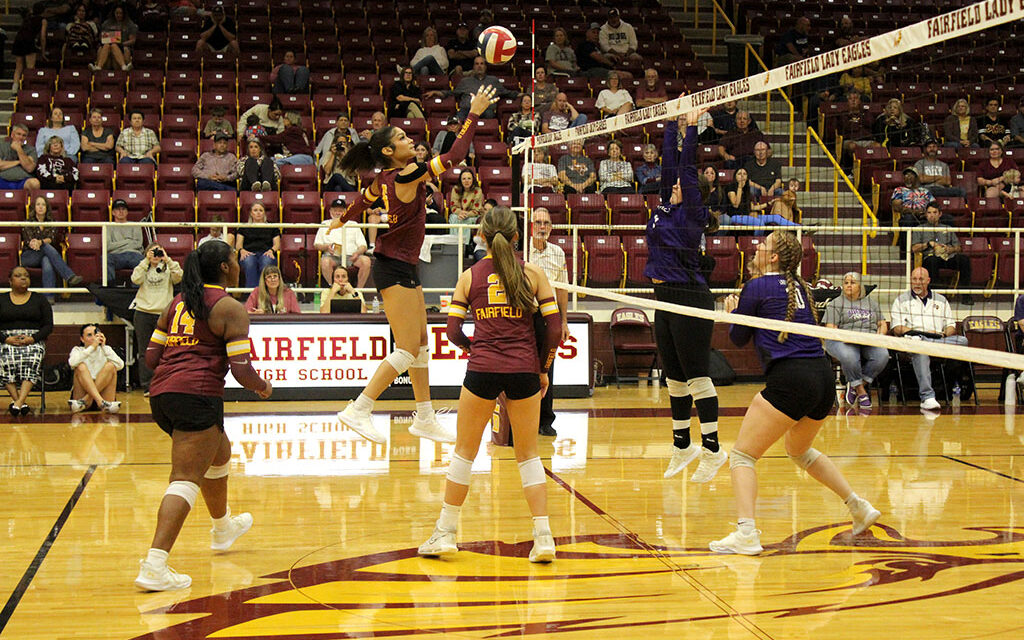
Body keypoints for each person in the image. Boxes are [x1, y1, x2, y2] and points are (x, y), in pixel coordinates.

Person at [330, 85, 499, 445]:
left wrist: (340, 220)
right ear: (389, 152)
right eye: (403, 138)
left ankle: (424, 417)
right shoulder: (407, 175)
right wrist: (474, 113)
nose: (411, 141)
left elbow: (363, 201)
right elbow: (456, 154)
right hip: (392, 266)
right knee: (407, 348)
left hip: (404, 265)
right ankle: (359, 407)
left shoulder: (384, 179)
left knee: (422, 345)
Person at [712, 231, 881, 555]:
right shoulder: (800, 286)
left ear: (774, 257)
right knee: (799, 451)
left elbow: (737, 338)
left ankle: (746, 533)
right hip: (822, 378)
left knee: (743, 456)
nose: (756, 248)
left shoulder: (757, 287)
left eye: (763, 245)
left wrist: (733, 314)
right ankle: (858, 505)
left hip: (791, 378)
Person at [417, 206, 562, 562]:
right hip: (524, 370)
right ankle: (543, 537)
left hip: (482, 369)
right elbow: (555, 330)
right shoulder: (534, 272)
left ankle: (445, 533)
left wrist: (474, 348)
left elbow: (452, 331)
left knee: (464, 453)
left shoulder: (469, 276)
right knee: (529, 456)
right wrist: (542, 369)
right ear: (517, 236)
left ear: (480, 235)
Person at [134, 240, 272, 591]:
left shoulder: (177, 303)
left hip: (162, 396)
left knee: (220, 452)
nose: (238, 265)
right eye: (234, 260)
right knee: (184, 478)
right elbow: (241, 371)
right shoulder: (229, 308)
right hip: (196, 394)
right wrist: (262, 386)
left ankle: (223, 528)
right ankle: (155, 565)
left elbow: (151, 358)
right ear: (225, 267)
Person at [647, 108, 726, 483]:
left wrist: (692, 128)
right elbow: (670, 165)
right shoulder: (666, 204)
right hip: (663, 296)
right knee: (673, 378)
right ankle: (683, 446)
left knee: (696, 376)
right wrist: (669, 122)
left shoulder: (692, 213)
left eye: (681, 183)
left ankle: (713, 450)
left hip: (690, 297)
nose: (675, 184)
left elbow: (686, 169)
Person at [890, 267, 969, 412]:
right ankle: (928, 397)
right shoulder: (900, 300)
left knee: (963, 341)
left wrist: (942, 334)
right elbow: (897, 328)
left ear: (928, 281)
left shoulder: (941, 300)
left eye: (921, 279)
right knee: (920, 349)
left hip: (937, 341)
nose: (917, 283)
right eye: (914, 279)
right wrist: (920, 333)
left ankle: (926, 342)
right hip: (913, 341)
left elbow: (951, 326)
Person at [527, 207, 569, 436]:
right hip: (525, 315)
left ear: (551, 228)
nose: (542, 227)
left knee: (547, 367)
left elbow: (562, 290)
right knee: (524, 367)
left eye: (546, 223)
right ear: (530, 226)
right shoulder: (523, 252)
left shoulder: (558, 253)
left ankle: (545, 420)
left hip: (548, 316)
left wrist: (563, 321)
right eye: (538, 222)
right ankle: (524, 418)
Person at [823, 272, 890, 409]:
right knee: (850, 356)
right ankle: (861, 391)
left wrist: (879, 337)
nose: (848, 285)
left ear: (860, 286)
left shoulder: (871, 303)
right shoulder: (835, 304)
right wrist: (845, 338)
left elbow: (882, 324)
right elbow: (830, 329)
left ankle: (855, 385)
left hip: (868, 339)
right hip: (842, 340)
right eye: (846, 283)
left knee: (882, 356)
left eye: (852, 283)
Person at [132, 243, 184, 395]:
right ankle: (148, 385)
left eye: (158, 252)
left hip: (163, 313)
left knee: (167, 350)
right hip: (143, 312)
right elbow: (135, 279)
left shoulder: (168, 268)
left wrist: (167, 259)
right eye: (152, 252)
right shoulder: (143, 267)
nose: (155, 255)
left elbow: (179, 276)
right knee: (144, 351)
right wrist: (146, 261)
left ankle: (167, 382)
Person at [0, 267, 52, 416]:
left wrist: (33, 338)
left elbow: (48, 326)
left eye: (26, 276)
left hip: (32, 340)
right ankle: (19, 402)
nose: (23, 278)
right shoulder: (1, 299)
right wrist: (6, 339)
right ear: (10, 281)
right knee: (3, 358)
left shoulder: (40, 299)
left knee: (33, 357)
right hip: (6, 340)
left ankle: (18, 402)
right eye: (18, 276)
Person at [910, 204, 973, 305]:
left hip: (948, 257)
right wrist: (928, 244)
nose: (932, 215)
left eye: (935, 212)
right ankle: (936, 296)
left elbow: (959, 247)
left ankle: (966, 296)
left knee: (964, 260)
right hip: (931, 257)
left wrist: (950, 249)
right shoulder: (919, 229)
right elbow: (914, 248)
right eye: (929, 213)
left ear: (940, 214)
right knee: (932, 261)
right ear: (926, 215)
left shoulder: (948, 228)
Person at [425, 56, 521, 121]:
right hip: (467, 110)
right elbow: (452, 93)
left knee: (489, 115)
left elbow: (508, 93)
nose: (479, 66)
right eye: (477, 64)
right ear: (473, 67)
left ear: (485, 66)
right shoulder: (465, 81)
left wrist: (524, 95)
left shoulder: (493, 81)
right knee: (457, 119)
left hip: (486, 111)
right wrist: (436, 92)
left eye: (482, 64)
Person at [21, 196, 82, 290]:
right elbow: (30, 241)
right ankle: (69, 276)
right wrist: (39, 243)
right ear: (34, 207)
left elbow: (52, 238)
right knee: (46, 247)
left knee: (47, 260)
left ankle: (49, 296)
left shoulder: (52, 222)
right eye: (38, 204)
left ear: (47, 208)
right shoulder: (28, 223)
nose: (40, 207)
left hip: (46, 254)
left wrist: (40, 242)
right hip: (29, 256)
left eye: (43, 205)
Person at [314, 197, 371, 288]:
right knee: (325, 262)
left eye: (340, 211)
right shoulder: (324, 224)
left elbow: (363, 246)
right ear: (330, 211)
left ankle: (359, 291)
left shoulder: (353, 224)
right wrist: (326, 247)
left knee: (366, 261)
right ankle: (333, 288)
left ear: (345, 212)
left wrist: (357, 253)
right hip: (333, 257)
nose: (337, 213)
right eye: (335, 210)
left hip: (351, 257)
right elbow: (316, 244)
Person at [68, 324, 124, 414]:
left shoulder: (106, 349)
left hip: (102, 396)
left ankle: (90, 400)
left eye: (95, 334)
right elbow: (72, 363)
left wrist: (104, 346)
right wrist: (92, 347)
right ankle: (98, 401)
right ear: (82, 339)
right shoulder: (78, 350)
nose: (93, 338)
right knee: (80, 366)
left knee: (110, 366)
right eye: (89, 335)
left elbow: (120, 365)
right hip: (82, 393)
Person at [235, 203, 280, 288]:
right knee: (250, 262)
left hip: (267, 253)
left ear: (264, 213)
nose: (258, 212)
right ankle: (252, 293)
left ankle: (265, 292)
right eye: (255, 210)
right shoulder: (243, 227)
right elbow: (238, 244)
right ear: (251, 213)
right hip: (249, 253)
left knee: (266, 262)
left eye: (261, 210)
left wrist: (271, 251)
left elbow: (277, 244)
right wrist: (242, 251)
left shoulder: (272, 227)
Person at [105, 199, 144, 285]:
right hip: (116, 255)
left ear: (127, 212)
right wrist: (128, 241)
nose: (121, 211)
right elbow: (108, 246)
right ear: (113, 212)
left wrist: (117, 245)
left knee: (143, 261)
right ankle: (110, 288)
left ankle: (136, 291)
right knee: (105, 258)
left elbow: (138, 244)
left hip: (134, 255)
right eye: (118, 209)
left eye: (123, 209)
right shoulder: (108, 227)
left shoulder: (135, 225)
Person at [12, 6, 46, 92]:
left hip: (18, 40)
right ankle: (29, 88)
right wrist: (43, 52)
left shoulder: (27, 18)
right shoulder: (43, 20)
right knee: (30, 68)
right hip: (29, 41)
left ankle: (14, 89)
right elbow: (42, 37)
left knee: (18, 67)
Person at [94, 4, 136, 71]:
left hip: (122, 46)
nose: (119, 15)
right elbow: (101, 37)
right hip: (107, 46)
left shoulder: (129, 24)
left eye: (120, 13)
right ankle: (98, 67)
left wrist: (121, 44)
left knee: (114, 45)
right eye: (117, 13)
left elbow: (132, 40)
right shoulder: (106, 23)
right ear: (113, 13)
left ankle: (123, 66)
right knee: (106, 46)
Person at [0, 124, 42, 191]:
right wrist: (19, 162)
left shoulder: (31, 150)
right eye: (18, 134)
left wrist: (19, 149)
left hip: (23, 181)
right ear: (12, 135)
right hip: (2, 179)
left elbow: (29, 168)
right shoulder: (2, 146)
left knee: (35, 183)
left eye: (24, 135)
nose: (21, 137)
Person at [448, 169, 485, 233]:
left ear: (473, 180)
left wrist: (466, 214)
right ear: (461, 180)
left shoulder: (478, 190)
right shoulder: (456, 189)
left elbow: (477, 209)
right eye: (464, 179)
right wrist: (460, 212)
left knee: (466, 220)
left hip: (472, 215)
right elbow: (454, 207)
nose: (466, 181)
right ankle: (454, 239)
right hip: (459, 214)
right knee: (454, 217)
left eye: (469, 178)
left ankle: (465, 240)